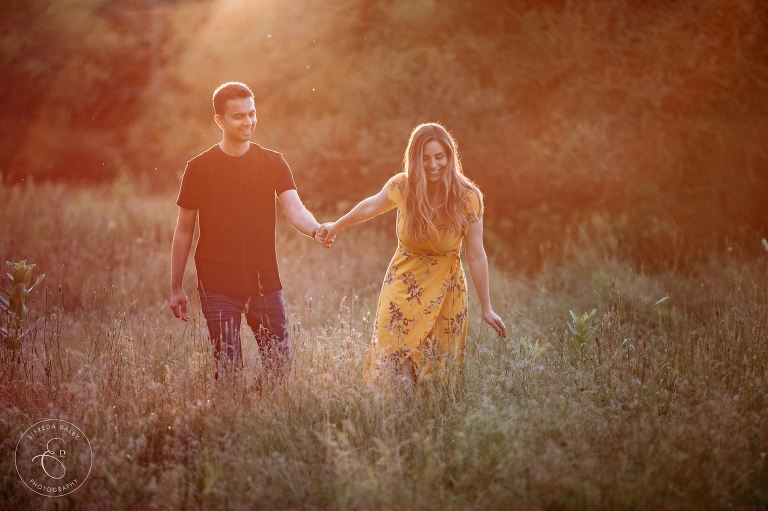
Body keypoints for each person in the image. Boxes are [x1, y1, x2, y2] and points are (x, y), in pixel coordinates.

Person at [169, 82, 330, 386]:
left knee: (278, 368)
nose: (248, 121)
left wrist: (316, 229)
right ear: (220, 120)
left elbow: (295, 209)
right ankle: (232, 423)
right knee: (229, 371)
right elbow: (183, 231)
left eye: (252, 113)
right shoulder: (199, 168)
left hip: (263, 281)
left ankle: (258, 409)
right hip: (216, 284)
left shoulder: (273, 162)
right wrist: (176, 286)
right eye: (239, 116)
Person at [321, 122, 506, 387]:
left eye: (439, 157)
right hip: (402, 284)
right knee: (391, 358)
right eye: (425, 157)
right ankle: (387, 420)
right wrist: (336, 225)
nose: (433, 164)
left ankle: (430, 425)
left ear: (450, 157)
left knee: (437, 369)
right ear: (414, 158)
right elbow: (371, 205)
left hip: (447, 289)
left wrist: (487, 307)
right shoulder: (402, 186)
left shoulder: (468, 197)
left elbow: (476, 255)